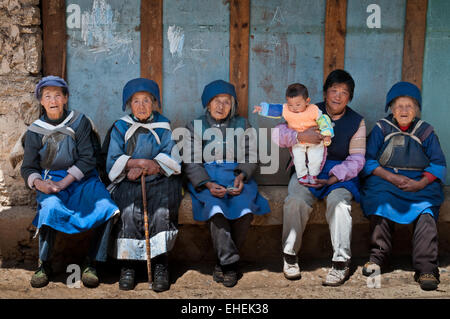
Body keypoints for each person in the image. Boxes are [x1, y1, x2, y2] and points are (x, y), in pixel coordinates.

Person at [20, 75, 120, 288]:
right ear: (41, 101)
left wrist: (64, 183)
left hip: (81, 179)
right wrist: (41, 184)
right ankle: (44, 263)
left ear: (65, 98)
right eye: (48, 96)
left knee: (107, 207)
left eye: (58, 95)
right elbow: (28, 167)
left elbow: (87, 158)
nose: (53, 100)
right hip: (49, 179)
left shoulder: (79, 121)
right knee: (49, 208)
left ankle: (92, 263)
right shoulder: (35, 130)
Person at [273, 70, 366, 286]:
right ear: (325, 93)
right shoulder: (306, 109)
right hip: (306, 169)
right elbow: (277, 135)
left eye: (344, 92)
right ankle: (289, 256)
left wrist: (335, 177)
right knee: (295, 200)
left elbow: (358, 159)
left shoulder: (356, 122)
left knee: (340, 204)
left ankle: (341, 262)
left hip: (340, 174)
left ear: (350, 97)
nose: (338, 96)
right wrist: (298, 136)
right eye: (334, 90)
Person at [183, 79, 271, 288]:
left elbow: (251, 155)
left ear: (233, 106)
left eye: (226, 102)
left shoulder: (243, 124)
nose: (221, 106)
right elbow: (190, 159)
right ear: (207, 103)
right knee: (216, 210)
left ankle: (222, 262)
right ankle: (229, 264)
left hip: (236, 175)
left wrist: (241, 176)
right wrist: (206, 184)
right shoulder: (194, 126)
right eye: (216, 101)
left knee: (245, 209)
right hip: (208, 176)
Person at [360, 81, 446, 291]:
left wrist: (421, 184)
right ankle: (378, 258)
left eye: (409, 106)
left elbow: (438, 165)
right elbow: (368, 161)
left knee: (426, 210)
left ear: (417, 109)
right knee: (380, 202)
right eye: (399, 106)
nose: (404, 110)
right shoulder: (382, 128)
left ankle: (426, 267)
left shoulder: (425, 131)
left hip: (419, 182)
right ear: (391, 108)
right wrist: (391, 178)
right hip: (386, 180)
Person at [105, 78, 182, 292]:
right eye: (136, 101)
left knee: (161, 211)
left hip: (158, 179)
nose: (141, 106)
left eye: (146, 101)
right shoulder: (121, 127)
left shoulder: (163, 125)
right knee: (128, 211)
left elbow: (172, 158)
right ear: (129, 104)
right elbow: (113, 160)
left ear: (154, 103)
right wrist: (137, 164)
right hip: (129, 179)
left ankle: (160, 265)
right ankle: (128, 265)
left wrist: (153, 166)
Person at [253, 83, 334, 185]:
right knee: (298, 158)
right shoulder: (286, 109)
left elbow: (324, 121)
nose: (294, 108)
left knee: (316, 157)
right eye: (290, 104)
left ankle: (313, 175)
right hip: (297, 141)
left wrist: (327, 134)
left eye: (298, 104)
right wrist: (263, 109)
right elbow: (276, 110)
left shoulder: (313, 109)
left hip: (315, 140)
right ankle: (302, 176)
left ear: (307, 101)